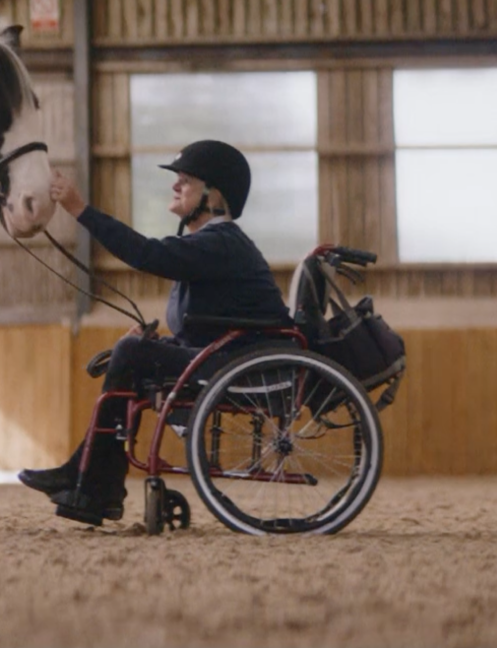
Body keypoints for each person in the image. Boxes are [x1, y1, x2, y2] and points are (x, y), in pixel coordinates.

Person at [17, 140, 292, 525]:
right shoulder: (211, 245)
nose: (175, 186)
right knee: (134, 350)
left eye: (185, 180)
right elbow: (214, 327)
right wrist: (161, 343)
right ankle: (93, 482)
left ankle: (94, 484)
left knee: (132, 353)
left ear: (214, 195)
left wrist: (79, 209)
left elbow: (146, 254)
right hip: (229, 358)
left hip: (246, 367)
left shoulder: (221, 242)